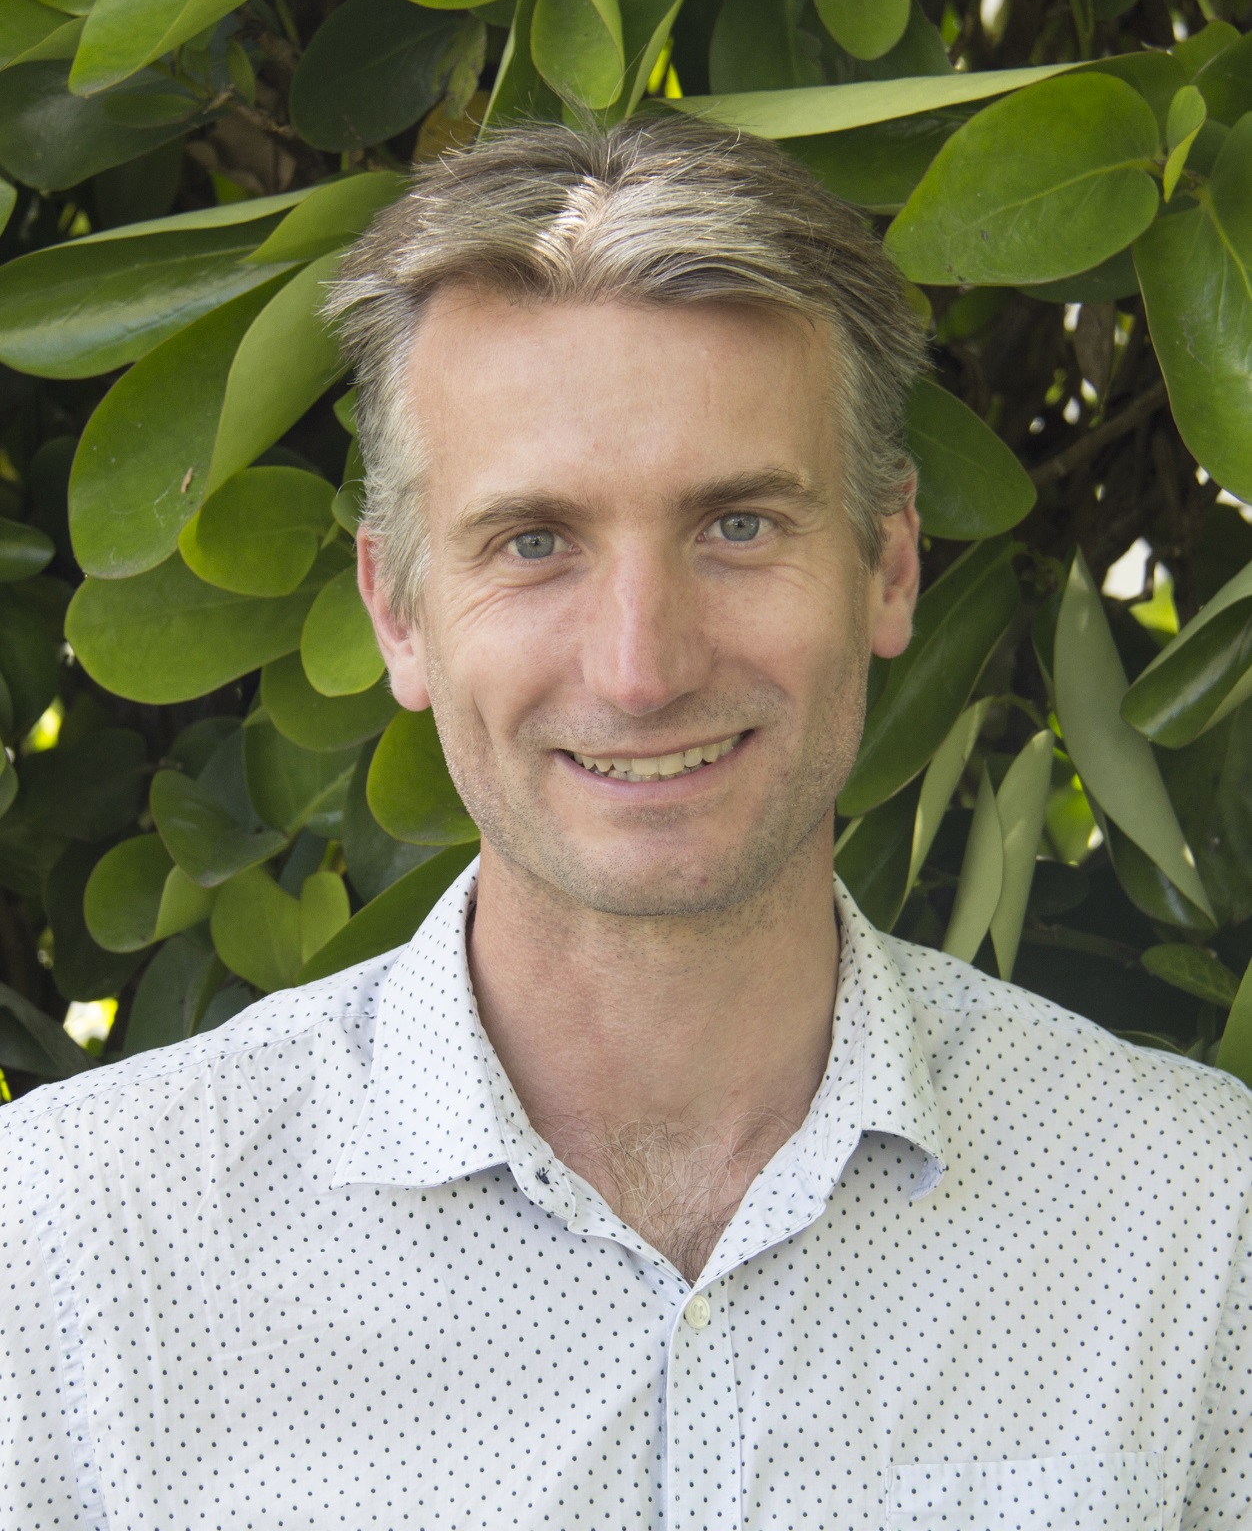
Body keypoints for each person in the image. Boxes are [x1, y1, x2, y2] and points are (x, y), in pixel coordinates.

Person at [2, 113, 1249, 1531]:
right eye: (533, 542)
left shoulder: (1194, 1228)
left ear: (890, 566)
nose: (642, 669)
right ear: (397, 611)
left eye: (739, 526)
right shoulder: (74, 1257)